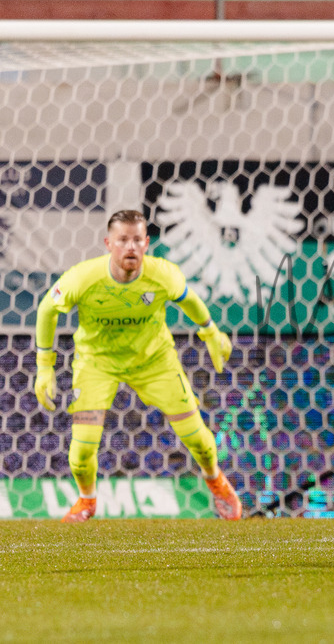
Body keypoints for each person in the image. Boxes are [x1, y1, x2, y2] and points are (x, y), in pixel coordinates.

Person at [33, 209, 242, 522]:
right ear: (108, 243)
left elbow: (189, 299)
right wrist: (45, 367)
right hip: (97, 364)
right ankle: (87, 501)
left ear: (146, 243)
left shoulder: (163, 275)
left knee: (198, 439)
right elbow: (47, 310)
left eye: (136, 240)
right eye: (122, 240)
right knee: (80, 455)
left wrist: (210, 331)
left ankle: (216, 481)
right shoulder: (83, 277)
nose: (129, 246)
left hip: (154, 361)